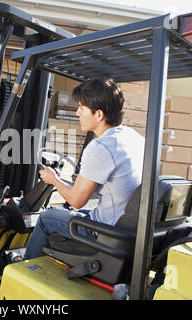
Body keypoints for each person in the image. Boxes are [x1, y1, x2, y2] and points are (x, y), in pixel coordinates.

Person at [23, 78, 145, 259]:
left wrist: (53, 179)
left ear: (98, 115)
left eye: (82, 107)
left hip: (105, 233)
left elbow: (76, 201)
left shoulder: (101, 147)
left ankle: (27, 271)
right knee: (70, 214)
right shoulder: (133, 137)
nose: (78, 112)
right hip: (125, 226)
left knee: (46, 218)